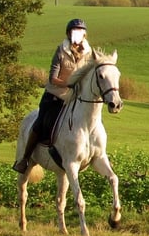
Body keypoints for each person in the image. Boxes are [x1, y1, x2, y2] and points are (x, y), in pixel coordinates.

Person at [12, 18, 93, 173]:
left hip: (76, 99)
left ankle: (95, 153)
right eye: (74, 31)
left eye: (80, 32)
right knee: (40, 124)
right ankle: (25, 158)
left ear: (84, 35)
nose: (77, 35)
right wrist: (69, 84)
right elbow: (53, 78)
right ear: (69, 34)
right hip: (56, 96)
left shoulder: (89, 53)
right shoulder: (61, 51)